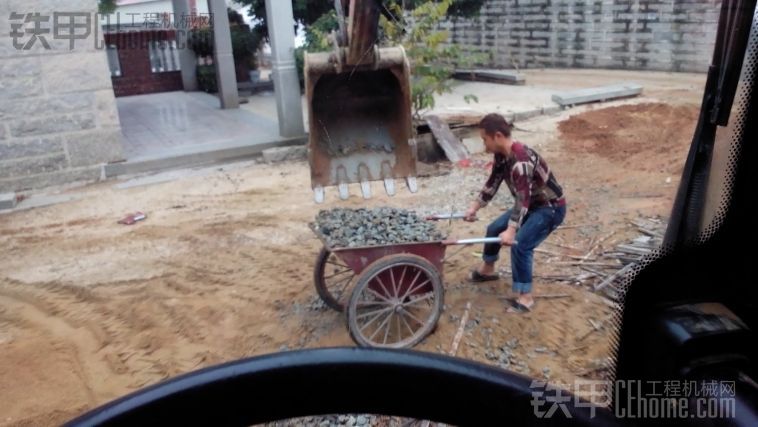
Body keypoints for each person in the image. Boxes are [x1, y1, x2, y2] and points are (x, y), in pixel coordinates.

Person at [464, 113, 567, 313]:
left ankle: (525, 297)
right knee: (494, 228)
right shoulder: (502, 155)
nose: (484, 145)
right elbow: (493, 182)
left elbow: (523, 199)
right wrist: (474, 207)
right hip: (533, 204)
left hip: (550, 207)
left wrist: (511, 230)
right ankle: (488, 270)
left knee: (521, 244)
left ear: (498, 136)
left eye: (485, 139)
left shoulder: (521, 161)